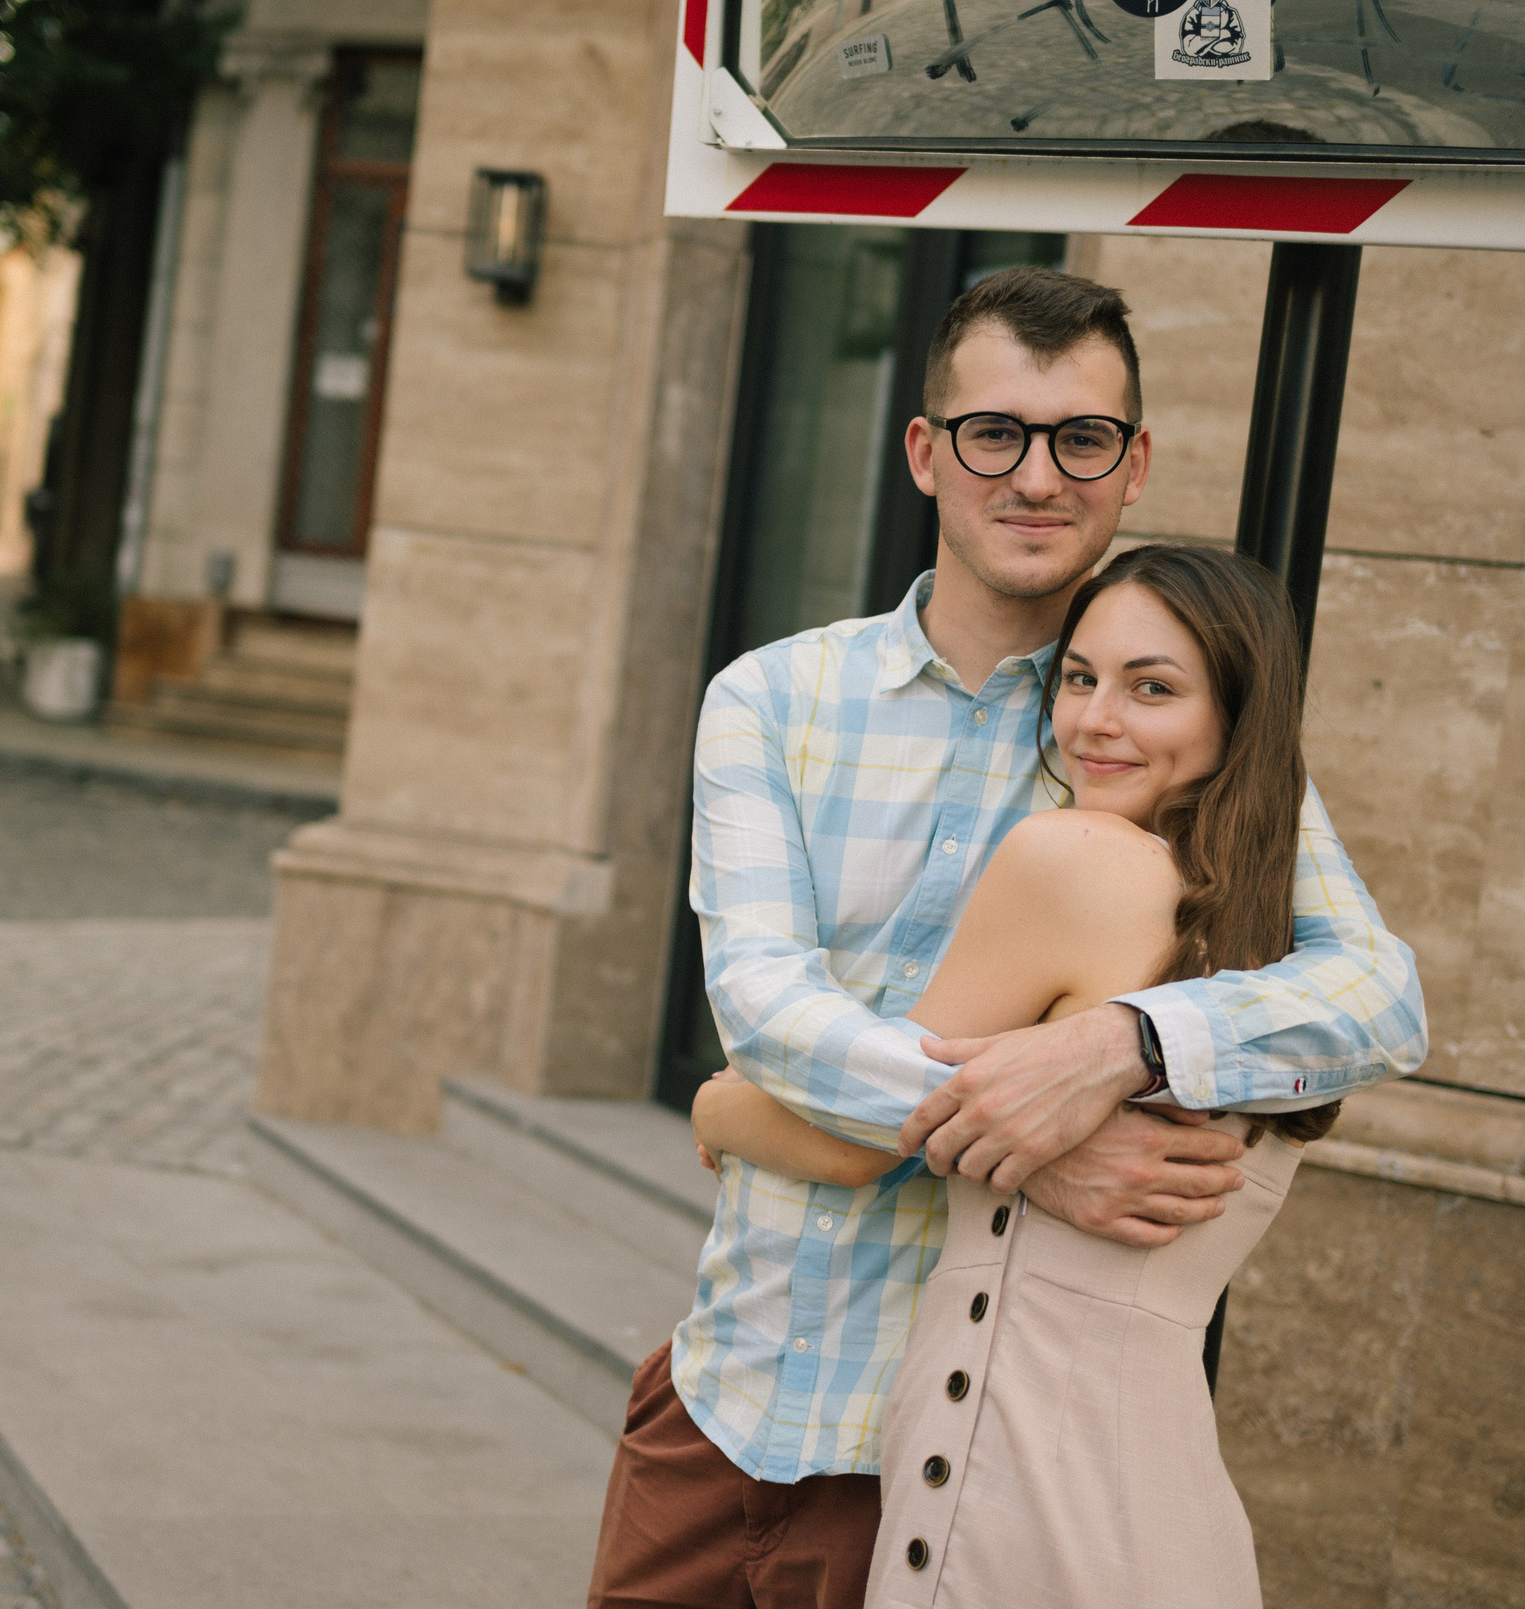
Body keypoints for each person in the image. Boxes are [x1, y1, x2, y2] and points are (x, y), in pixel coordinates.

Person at [581, 266, 1425, 1609]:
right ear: (926, 451)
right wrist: (1038, 1145)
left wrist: (1119, 1043)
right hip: (724, 1388)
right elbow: (761, 1004)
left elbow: (1380, 997)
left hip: (937, 1457)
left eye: (1080, 437)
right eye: (996, 432)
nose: (1037, 475)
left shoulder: (1162, 735)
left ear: (1133, 461)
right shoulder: (773, 695)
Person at [694, 542, 1326, 1607]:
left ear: (1238, 716)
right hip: (1166, 1506)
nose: (1094, 720)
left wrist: (718, 1099)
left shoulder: (1074, 860)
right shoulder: (1282, 941)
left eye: (1153, 687)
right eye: (1079, 678)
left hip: (1008, 1481)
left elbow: (849, 1135)